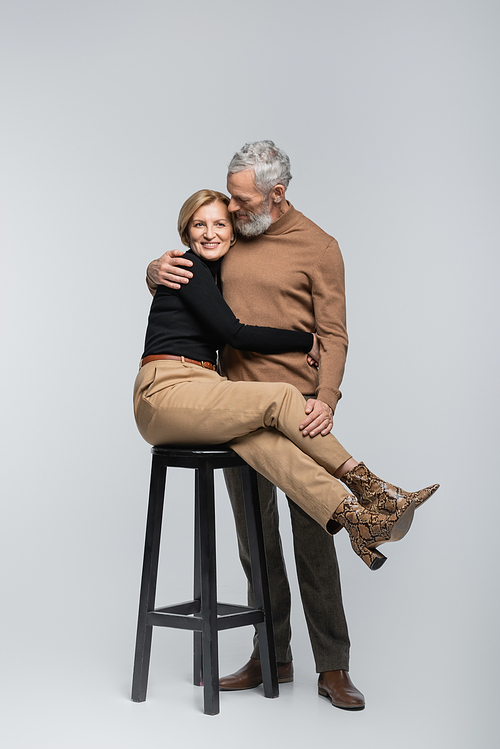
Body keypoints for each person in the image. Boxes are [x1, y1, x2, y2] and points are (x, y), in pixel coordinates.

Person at [145, 144, 438, 710]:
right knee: (256, 543)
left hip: (297, 407)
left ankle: (333, 666)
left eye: (242, 199)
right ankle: (270, 655)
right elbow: (185, 286)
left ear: (277, 195)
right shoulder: (226, 237)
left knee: (314, 539)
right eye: (228, 197)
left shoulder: (319, 247)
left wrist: (326, 398)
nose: (230, 209)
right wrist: (150, 269)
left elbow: (334, 333)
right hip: (229, 405)